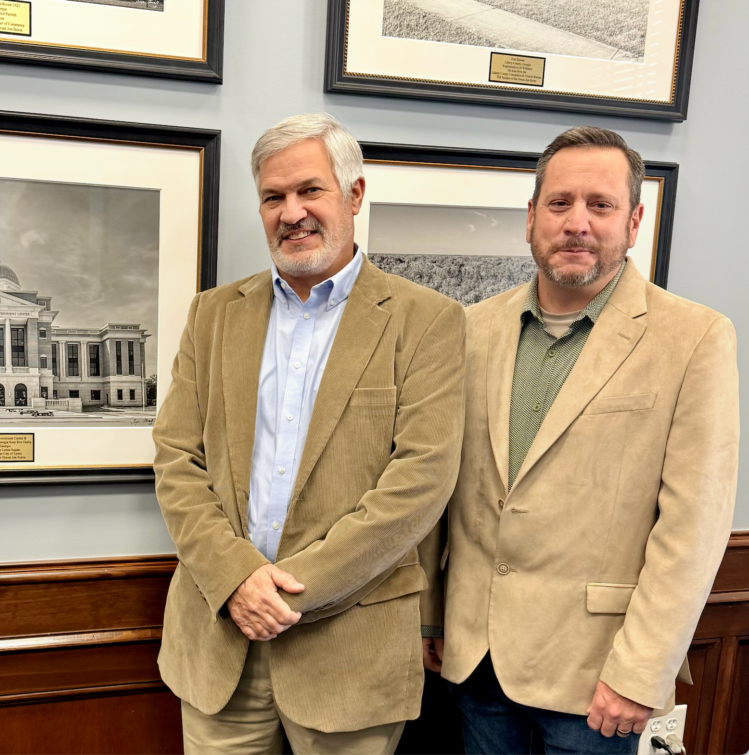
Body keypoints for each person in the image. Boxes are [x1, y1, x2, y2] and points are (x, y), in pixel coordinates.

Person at [152, 113, 467, 754]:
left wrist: (285, 595)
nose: (291, 212)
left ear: (353, 195)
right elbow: (177, 458)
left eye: (310, 190)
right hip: (221, 641)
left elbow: (420, 483)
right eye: (273, 197)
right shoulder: (212, 315)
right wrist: (237, 580)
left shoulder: (427, 321)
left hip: (349, 653)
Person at [420, 126, 739, 753]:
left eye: (601, 205)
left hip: (597, 681)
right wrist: (431, 613)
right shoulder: (470, 329)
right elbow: (438, 487)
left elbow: (693, 527)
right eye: (560, 203)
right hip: (475, 662)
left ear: (634, 221)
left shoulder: (694, 338)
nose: (577, 223)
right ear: (531, 217)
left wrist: (641, 672)